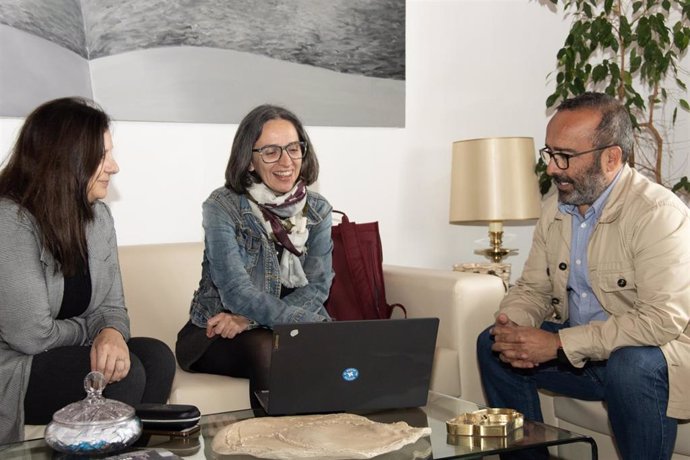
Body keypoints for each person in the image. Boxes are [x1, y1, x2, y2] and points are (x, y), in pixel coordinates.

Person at [477, 92, 690, 460]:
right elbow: (532, 288)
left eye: (565, 157)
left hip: (653, 360)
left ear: (611, 157)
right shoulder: (555, 209)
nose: (552, 168)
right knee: (491, 344)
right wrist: (513, 325)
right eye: (549, 153)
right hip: (586, 358)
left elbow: (661, 320)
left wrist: (559, 345)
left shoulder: (657, 213)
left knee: (631, 364)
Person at [0, 97, 176, 444]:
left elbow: (113, 306)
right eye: (103, 155)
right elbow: (31, 336)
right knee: (122, 376)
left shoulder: (98, 218)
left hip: (60, 353)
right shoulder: (11, 220)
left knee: (157, 356)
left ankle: (134, 452)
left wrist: (110, 329)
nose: (114, 166)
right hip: (16, 366)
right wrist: (96, 333)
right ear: (66, 159)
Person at [175, 104, 334, 410]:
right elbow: (235, 291)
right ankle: (273, 450)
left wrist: (249, 319)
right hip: (215, 333)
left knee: (310, 347)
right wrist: (255, 323)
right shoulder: (222, 206)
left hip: (258, 323)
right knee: (271, 346)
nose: (286, 161)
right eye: (271, 151)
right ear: (249, 160)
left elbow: (317, 287)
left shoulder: (318, 210)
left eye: (293, 148)